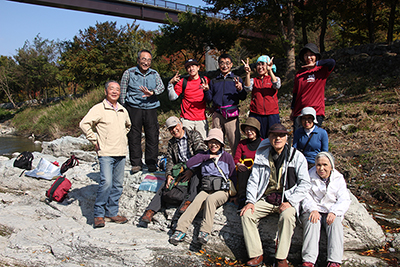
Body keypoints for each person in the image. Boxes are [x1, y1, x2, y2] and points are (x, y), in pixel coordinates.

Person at [240, 123, 311, 267]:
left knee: (287, 216)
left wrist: (291, 202)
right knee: (246, 214)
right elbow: (254, 181)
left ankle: (281, 258)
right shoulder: (262, 155)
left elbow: (305, 183)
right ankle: (257, 254)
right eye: (274, 135)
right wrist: (250, 201)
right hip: (267, 199)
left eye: (281, 135)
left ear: (286, 138)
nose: (277, 138)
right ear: (269, 138)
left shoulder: (296, 157)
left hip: (287, 199)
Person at [169, 128, 236, 246]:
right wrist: (207, 157)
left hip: (222, 191)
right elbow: (190, 163)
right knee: (196, 202)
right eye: (211, 142)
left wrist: (237, 196)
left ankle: (204, 232)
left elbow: (233, 175)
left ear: (221, 144)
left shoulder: (227, 157)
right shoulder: (203, 155)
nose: (213, 145)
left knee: (211, 200)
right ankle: (180, 229)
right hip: (206, 189)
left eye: (216, 142)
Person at [80, 81, 131, 228]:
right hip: (106, 153)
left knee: (117, 185)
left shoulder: (122, 109)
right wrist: (95, 139)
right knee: (106, 183)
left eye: (117, 89)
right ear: (106, 91)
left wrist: (122, 137)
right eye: (111, 89)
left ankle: (112, 212)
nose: (115, 92)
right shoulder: (99, 109)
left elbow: (128, 125)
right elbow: (84, 124)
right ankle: (98, 214)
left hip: (121, 152)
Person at [141, 116, 207, 223]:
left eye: (175, 126)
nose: (174, 130)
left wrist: (191, 170)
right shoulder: (172, 143)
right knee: (166, 185)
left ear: (180, 124)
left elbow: (201, 153)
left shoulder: (194, 135)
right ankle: (150, 211)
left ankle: (188, 202)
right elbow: (170, 160)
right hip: (180, 168)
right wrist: (168, 175)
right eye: (170, 128)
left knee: (196, 179)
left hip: (195, 167)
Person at [301, 152, 351, 267]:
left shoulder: (338, 178)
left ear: (331, 166)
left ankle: (334, 260)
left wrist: (334, 212)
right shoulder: (308, 176)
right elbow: (305, 195)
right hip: (314, 209)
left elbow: (344, 199)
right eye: (318, 165)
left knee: (335, 223)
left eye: (325, 165)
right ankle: (309, 260)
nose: (321, 168)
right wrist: (312, 209)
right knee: (312, 221)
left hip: (330, 210)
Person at [120, 49, 165, 173]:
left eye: (149, 60)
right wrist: (123, 108)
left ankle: (151, 162)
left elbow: (161, 87)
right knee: (134, 136)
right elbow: (123, 91)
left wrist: (152, 92)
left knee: (152, 135)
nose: (146, 62)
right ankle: (136, 163)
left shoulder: (154, 74)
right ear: (138, 60)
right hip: (133, 107)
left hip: (150, 107)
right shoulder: (129, 73)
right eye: (144, 59)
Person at [204, 53, 247, 155]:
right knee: (215, 141)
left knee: (234, 142)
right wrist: (206, 90)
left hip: (231, 115)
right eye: (222, 63)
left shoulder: (236, 79)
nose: (225, 66)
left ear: (231, 64)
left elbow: (243, 97)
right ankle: (217, 164)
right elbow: (209, 99)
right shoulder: (214, 81)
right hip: (218, 114)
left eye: (227, 63)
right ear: (219, 65)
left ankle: (236, 165)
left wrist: (240, 89)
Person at [291, 43, 336, 131]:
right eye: (306, 55)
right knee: (298, 138)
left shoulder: (321, 70)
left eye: (311, 55)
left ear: (316, 56)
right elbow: (295, 93)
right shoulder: (299, 74)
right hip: (299, 110)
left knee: (313, 139)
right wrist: (293, 109)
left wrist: (316, 64)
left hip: (316, 110)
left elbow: (332, 62)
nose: (308, 58)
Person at [167, 59, 210, 139]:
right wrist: (170, 84)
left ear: (198, 67)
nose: (191, 68)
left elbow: (211, 96)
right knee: (186, 145)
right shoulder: (183, 82)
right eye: (188, 67)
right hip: (186, 119)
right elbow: (172, 97)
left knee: (203, 145)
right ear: (186, 70)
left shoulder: (205, 80)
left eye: (193, 66)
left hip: (201, 119)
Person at [242, 55, 282, 139]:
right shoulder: (254, 80)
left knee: (273, 136)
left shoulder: (273, 78)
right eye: (258, 64)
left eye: (263, 64)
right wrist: (247, 73)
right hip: (256, 113)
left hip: (272, 114)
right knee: (258, 137)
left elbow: (277, 85)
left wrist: (270, 71)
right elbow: (247, 88)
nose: (260, 67)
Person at [234, 117, 263, 209]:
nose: (249, 132)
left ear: (256, 130)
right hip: (246, 170)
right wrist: (239, 164)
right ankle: (242, 198)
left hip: (259, 169)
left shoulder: (263, 143)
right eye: (247, 129)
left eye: (251, 129)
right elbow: (236, 159)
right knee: (242, 171)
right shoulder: (242, 144)